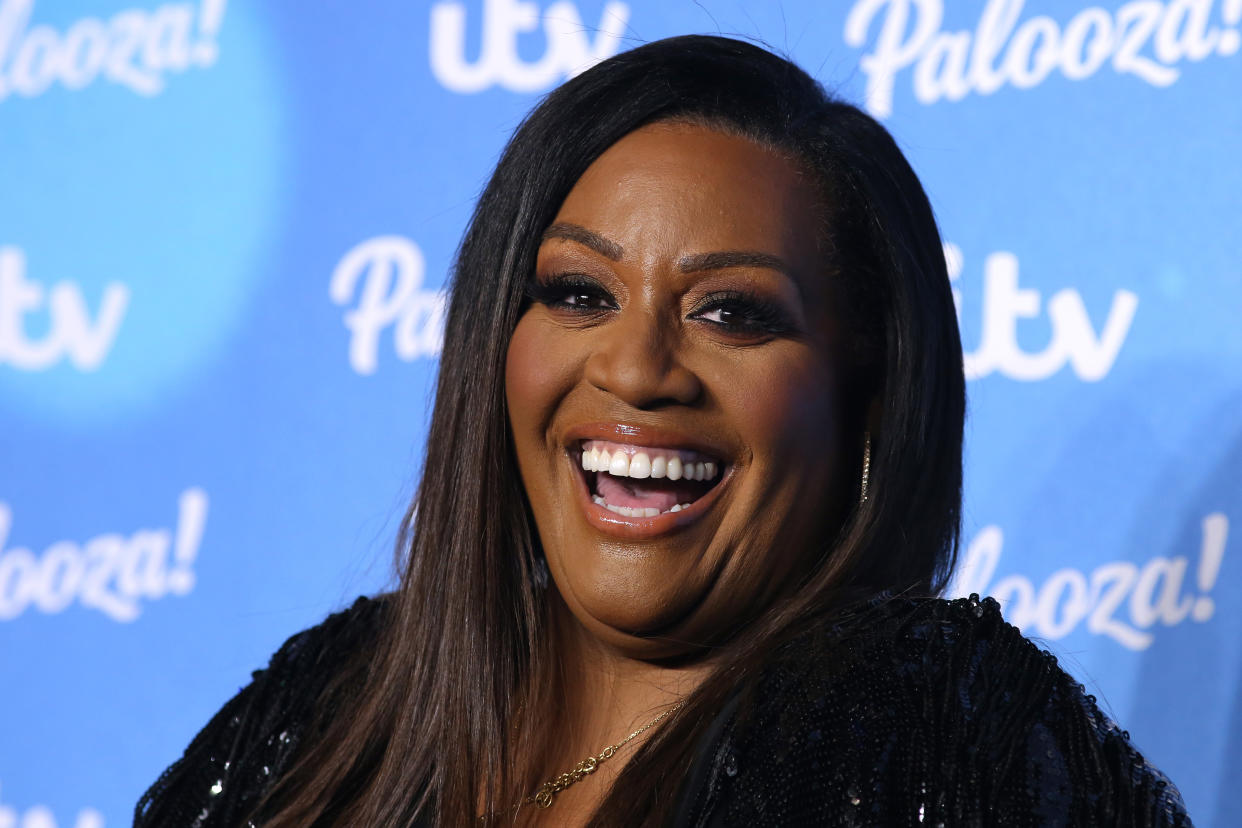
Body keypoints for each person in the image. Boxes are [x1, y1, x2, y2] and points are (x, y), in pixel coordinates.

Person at [135, 35, 1191, 827]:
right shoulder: (333, 706)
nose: (637, 368)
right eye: (580, 293)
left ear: (865, 392)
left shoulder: (950, 724)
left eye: (731, 311)